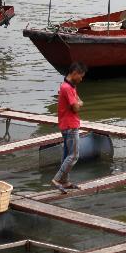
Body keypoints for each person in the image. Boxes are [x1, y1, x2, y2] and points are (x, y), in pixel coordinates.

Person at [52, 62, 86, 193]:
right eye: (81, 76)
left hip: (66, 125)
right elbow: (76, 107)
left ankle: (65, 181)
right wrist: (80, 103)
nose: (81, 79)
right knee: (74, 155)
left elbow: (76, 100)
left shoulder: (69, 86)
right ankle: (57, 179)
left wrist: (78, 101)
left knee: (67, 154)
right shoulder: (67, 88)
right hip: (70, 125)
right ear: (75, 73)